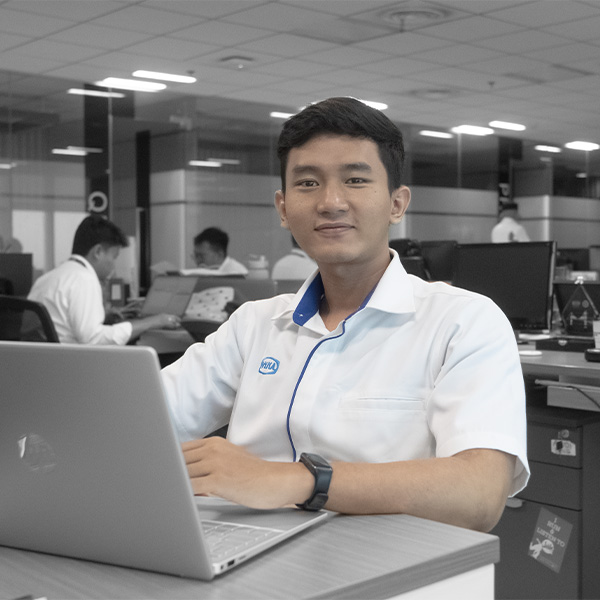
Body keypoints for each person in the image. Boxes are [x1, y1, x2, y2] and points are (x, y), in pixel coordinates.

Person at [161, 97, 529, 532]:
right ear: (283, 208)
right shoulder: (253, 324)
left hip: (388, 560)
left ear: (396, 204)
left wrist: (296, 481)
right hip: (242, 548)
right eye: (308, 183)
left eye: (355, 180)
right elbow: (142, 418)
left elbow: (479, 494)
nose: (331, 202)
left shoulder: (463, 322)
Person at [28, 215, 181, 344]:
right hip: (71, 364)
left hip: (43, 362)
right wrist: (154, 322)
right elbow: (93, 339)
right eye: (114, 257)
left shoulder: (47, 278)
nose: (113, 266)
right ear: (98, 252)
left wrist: (107, 316)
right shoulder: (84, 279)